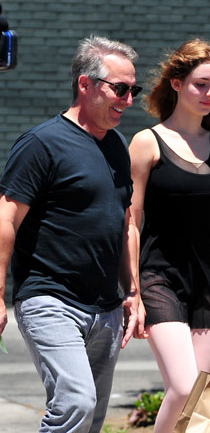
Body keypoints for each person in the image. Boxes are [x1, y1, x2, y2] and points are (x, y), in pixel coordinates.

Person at [0, 35, 144, 433]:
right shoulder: (41, 143)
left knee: (92, 418)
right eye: (120, 89)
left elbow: (125, 220)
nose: (128, 100)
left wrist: (132, 291)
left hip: (105, 307)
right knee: (75, 402)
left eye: (134, 90)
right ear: (85, 84)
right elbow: (6, 217)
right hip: (49, 298)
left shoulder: (117, 145)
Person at [129, 38, 210, 433]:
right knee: (184, 387)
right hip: (159, 277)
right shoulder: (147, 142)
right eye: (202, 84)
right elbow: (129, 222)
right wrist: (131, 289)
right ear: (177, 83)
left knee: (201, 400)